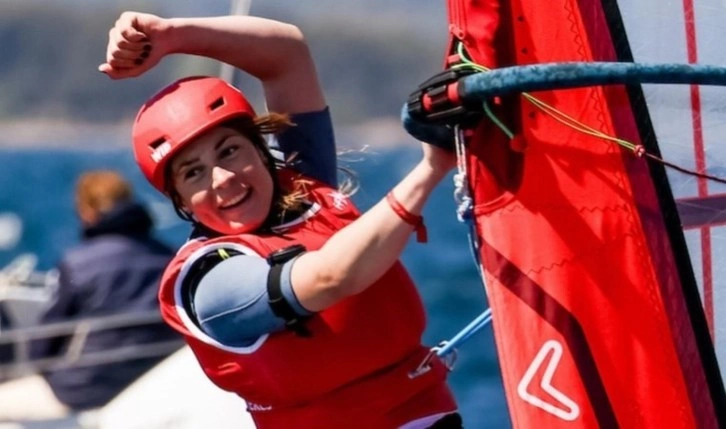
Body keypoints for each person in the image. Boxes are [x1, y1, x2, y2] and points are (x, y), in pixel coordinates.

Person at [100, 11, 462, 429]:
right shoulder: (206, 282)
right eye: (194, 173)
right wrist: (430, 169)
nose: (223, 179)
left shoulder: (303, 183)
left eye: (230, 151)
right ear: (180, 200)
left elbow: (286, 55)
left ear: (259, 148)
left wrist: (173, 35)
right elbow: (330, 278)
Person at [21, 170, 182, 414]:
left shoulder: (77, 263)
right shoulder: (170, 258)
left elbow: (45, 343)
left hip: (87, 390)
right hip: (159, 385)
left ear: (87, 211)